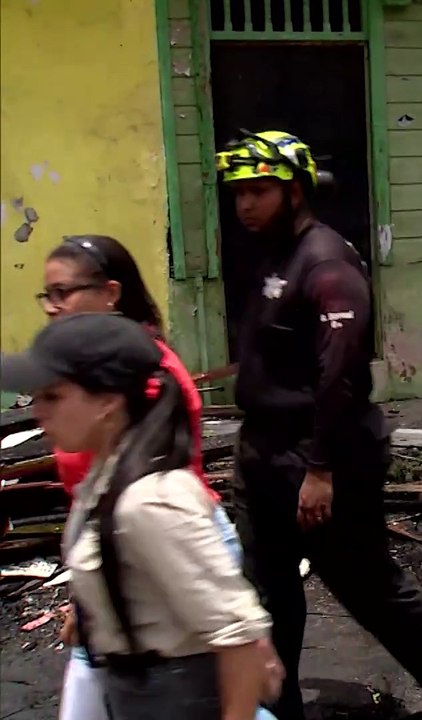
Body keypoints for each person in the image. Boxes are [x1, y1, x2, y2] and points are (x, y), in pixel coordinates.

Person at [214, 130, 422, 720]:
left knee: (366, 583)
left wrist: (319, 468)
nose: (245, 205)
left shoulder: (327, 261)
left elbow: (339, 377)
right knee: (265, 593)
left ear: (296, 191)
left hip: (321, 456)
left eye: (259, 191)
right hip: (263, 452)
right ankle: (274, 707)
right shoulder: (272, 255)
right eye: (238, 193)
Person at [0, 313, 280, 719]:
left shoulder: (151, 500)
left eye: (53, 396)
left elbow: (237, 636)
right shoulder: (106, 476)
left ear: (107, 402)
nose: (38, 411)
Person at [35, 235, 243, 720]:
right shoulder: (96, 375)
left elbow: (239, 636)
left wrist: (94, 599)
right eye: (47, 294)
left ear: (111, 293)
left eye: (64, 292)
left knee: (187, 690)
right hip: (122, 555)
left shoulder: (146, 376)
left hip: (162, 550)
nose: (52, 307)